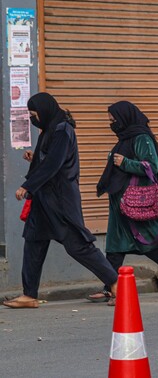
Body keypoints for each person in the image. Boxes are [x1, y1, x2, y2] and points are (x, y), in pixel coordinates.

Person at [4, 92, 119, 309]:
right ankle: (29, 295)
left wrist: (27, 186)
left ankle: (116, 283)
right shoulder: (49, 128)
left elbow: (54, 164)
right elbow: (47, 159)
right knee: (33, 241)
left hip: (60, 200)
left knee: (77, 245)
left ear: (45, 110)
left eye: (33, 113)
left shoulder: (62, 129)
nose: (32, 118)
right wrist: (34, 158)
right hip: (44, 199)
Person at [90, 101, 158, 304]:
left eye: (114, 120)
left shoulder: (141, 137)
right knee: (115, 248)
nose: (112, 124)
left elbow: (151, 166)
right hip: (121, 203)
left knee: (150, 246)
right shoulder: (125, 139)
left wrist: (125, 162)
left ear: (125, 118)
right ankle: (111, 287)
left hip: (136, 203)